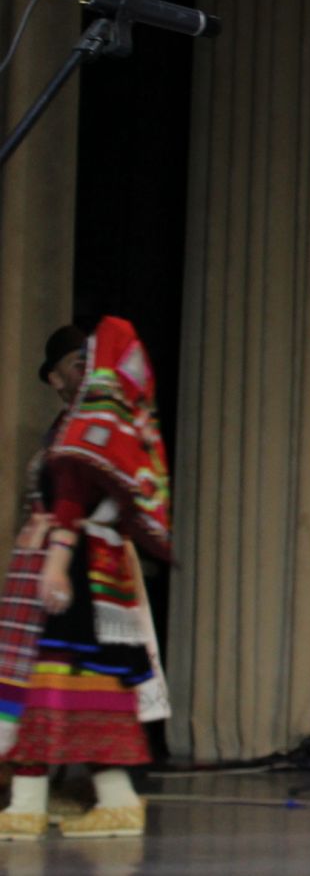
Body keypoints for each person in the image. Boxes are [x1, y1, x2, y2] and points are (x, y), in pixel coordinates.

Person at [0, 318, 172, 840]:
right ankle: (102, 797)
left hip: (79, 569)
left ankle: (40, 800)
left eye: (90, 360)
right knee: (77, 682)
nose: (86, 369)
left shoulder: (98, 426)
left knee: (62, 678)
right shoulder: (92, 424)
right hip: (64, 566)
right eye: (76, 363)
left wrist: (56, 553)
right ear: (55, 378)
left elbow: (77, 500)